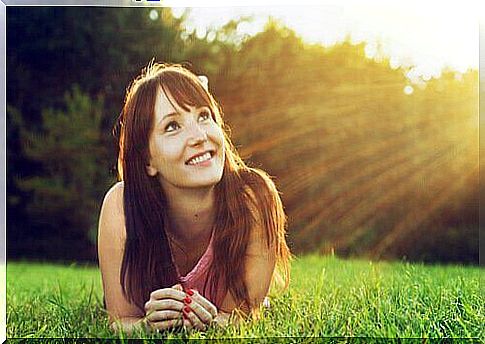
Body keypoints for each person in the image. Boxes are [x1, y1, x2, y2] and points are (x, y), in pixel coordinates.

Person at [97, 62, 291, 334]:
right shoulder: (121, 207)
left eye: (203, 116)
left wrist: (212, 323)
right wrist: (147, 325)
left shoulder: (255, 199)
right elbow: (120, 322)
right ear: (147, 159)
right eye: (173, 126)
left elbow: (243, 316)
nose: (199, 136)